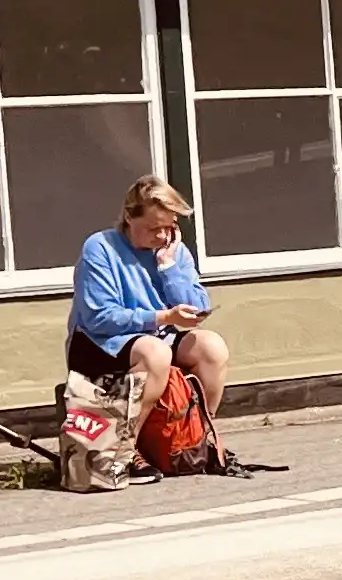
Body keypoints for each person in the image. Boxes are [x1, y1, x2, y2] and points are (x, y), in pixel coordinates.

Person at [70, 176, 229, 427]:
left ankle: (196, 436)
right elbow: (99, 318)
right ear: (129, 217)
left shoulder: (173, 250)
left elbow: (197, 307)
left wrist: (168, 267)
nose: (163, 235)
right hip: (100, 343)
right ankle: (127, 442)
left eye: (170, 226)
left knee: (212, 347)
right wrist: (163, 317)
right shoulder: (100, 248)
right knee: (155, 353)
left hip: (157, 338)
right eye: (154, 228)